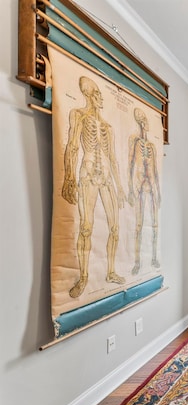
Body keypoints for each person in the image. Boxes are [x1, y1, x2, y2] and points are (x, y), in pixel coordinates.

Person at [62, 76, 125, 298]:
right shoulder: (78, 115)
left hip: (107, 176)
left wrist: (120, 188)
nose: (100, 98)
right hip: (88, 173)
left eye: (100, 94)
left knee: (115, 228)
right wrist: (69, 178)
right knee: (86, 227)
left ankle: (110, 271)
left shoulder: (108, 127)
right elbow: (71, 147)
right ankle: (84, 277)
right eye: (97, 94)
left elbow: (114, 159)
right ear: (89, 94)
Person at [128, 108, 161, 275]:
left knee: (155, 225)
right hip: (139, 185)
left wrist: (159, 192)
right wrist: (129, 187)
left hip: (152, 186)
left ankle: (154, 258)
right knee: (139, 225)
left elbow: (155, 171)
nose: (145, 123)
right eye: (142, 120)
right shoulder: (136, 143)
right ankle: (137, 262)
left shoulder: (152, 148)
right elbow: (131, 165)